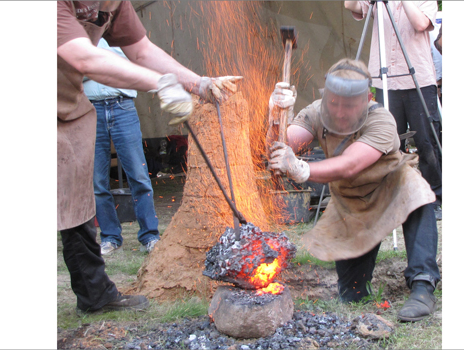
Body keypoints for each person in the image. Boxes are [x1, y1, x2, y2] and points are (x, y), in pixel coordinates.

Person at [57, 1, 241, 313]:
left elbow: (141, 50)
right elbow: (82, 57)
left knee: (77, 204)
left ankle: (95, 295)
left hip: (66, 104)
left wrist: (198, 83)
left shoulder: (114, 3)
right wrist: (161, 84)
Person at [267, 58, 441, 322]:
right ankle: (359, 286)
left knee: (419, 194)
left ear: (367, 98)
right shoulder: (316, 111)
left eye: (348, 105)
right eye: (333, 102)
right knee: (352, 294)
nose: (338, 112)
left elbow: (350, 165)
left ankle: (422, 285)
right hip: (351, 201)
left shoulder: (381, 119)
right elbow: (282, 145)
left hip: (391, 186)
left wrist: (302, 169)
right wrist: (276, 119)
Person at [344, 1, 442, 219]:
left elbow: (420, 23)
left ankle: (434, 198)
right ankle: (390, 197)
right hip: (385, 79)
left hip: (419, 79)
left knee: (426, 141)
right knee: (386, 142)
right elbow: (349, 4)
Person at [83, 38, 161, 256]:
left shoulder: (117, 33)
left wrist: (91, 65)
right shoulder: (78, 36)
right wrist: (108, 65)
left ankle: (150, 235)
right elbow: (71, 70)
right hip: (90, 109)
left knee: (139, 174)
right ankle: (110, 237)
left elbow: (131, 65)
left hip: (122, 106)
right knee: (98, 180)